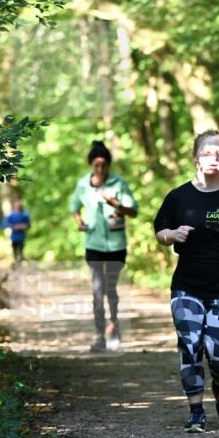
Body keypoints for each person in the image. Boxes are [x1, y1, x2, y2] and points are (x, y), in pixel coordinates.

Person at [154, 131, 219, 433]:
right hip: (187, 287)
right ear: (196, 157)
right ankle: (196, 411)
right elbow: (160, 233)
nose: (214, 159)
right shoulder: (178, 197)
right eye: (208, 153)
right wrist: (173, 235)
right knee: (190, 345)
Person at [69, 141, 138, 352]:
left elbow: (133, 211)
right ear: (91, 165)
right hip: (94, 244)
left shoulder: (119, 184)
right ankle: (99, 335)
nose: (100, 169)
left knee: (111, 288)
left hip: (116, 245)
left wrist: (115, 203)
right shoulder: (82, 185)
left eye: (104, 165)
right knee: (97, 290)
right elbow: (74, 207)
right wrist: (79, 222)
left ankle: (114, 327)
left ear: (109, 165)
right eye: (96, 165)